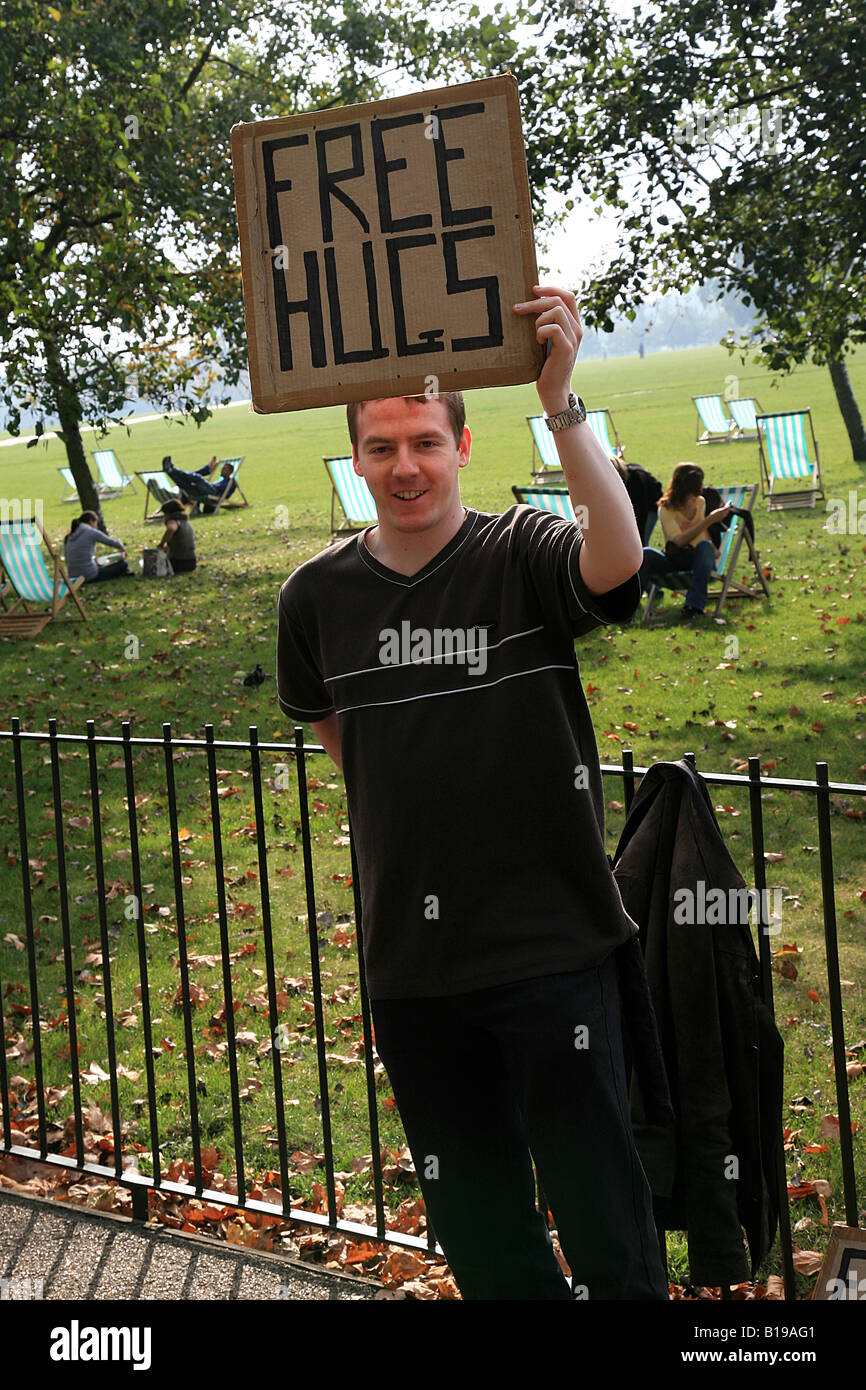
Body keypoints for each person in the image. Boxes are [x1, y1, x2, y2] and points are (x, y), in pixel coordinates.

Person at [276, 285, 671, 1301]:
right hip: (414, 965)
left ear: (459, 447)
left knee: (602, 1218)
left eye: (423, 442)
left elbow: (618, 560)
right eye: (380, 447)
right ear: (355, 460)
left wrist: (560, 401)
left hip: (553, 948)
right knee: (481, 1225)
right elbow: (338, 733)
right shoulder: (313, 598)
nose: (403, 467)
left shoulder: (520, 552)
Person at [637, 463, 732, 620]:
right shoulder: (666, 508)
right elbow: (678, 541)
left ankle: (693, 607)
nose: (701, 489)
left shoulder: (700, 502)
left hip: (698, 559)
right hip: (674, 559)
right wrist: (709, 520)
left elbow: (699, 533)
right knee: (646, 553)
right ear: (688, 488)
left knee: (705, 546)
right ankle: (627, 607)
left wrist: (711, 546)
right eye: (698, 485)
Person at [64, 512, 130, 582]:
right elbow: (109, 541)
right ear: (91, 521)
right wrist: (122, 548)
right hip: (88, 575)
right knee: (123, 564)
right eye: (96, 523)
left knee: (99, 563)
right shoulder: (90, 532)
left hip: (73, 576)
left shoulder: (70, 535)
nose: (97, 526)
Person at [162, 454, 236, 514]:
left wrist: (206, 483)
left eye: (224, 469)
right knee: (185, 485)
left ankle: (173, 470)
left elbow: (221, 490)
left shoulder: (231, 482)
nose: (222, 470)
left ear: (230, 471)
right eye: (222, 468)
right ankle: (170, 471)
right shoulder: (220, 481)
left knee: (197, 477)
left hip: (215, 495)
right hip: (208, 491)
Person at [155, 498, 197, 573]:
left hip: (178, 562)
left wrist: (161, 544)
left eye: (164, 514)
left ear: (168, 513)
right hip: (191, 562)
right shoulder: (185, 521)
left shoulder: (173, 520)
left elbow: (171, 529)